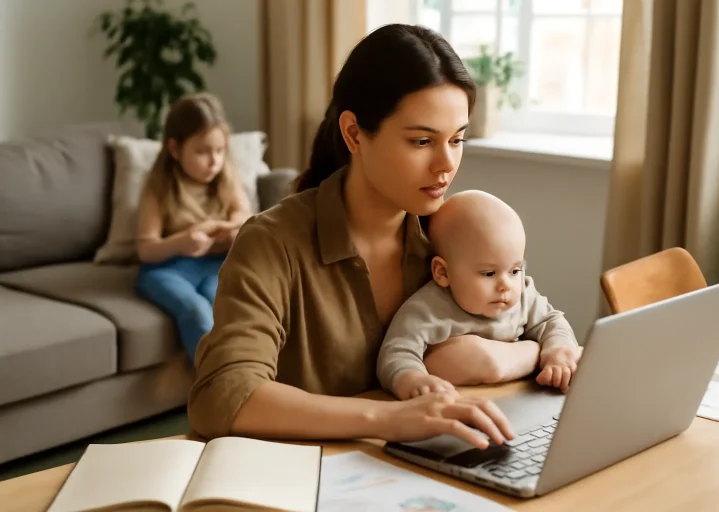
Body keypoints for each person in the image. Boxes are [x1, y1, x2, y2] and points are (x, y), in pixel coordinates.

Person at [189, 24, 531, 450]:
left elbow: (531, 321)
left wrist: (500, 360)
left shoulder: (451, 231)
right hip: (306, 479)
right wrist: (391, 418)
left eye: (457, 139)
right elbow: (221, 396)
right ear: (354, 134)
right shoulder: (271, 242)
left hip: (427, 466)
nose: (446, 164)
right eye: (422, 141)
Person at [377, 190, 582, 402]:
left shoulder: (521, 295)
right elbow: (397, 352)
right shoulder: (426, 310)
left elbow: (551, 321)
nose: (505, 285)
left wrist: (559, 351)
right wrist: (411, 379)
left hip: (516, 397)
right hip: (455, 403)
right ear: (443, 272)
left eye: (515, 270)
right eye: (489, 273)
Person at [135, 93, 252, 362]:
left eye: (220, 150)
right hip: (167, 270)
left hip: (215, 265)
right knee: (196, 310)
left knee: (224, 303)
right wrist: (181, 242)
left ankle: (247, 377)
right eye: (202, 152)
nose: (214, 161)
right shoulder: (158, 186)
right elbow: (145, 249)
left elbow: (244, 215)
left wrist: (233, 229)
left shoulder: (225, 177)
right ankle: (218, 387)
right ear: (175, 149)